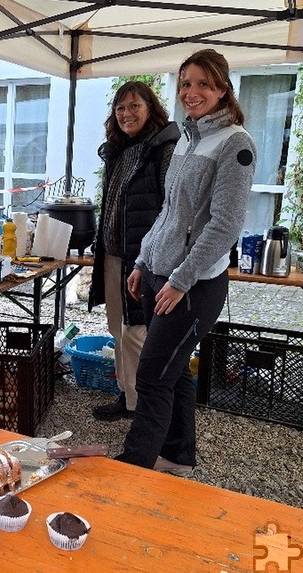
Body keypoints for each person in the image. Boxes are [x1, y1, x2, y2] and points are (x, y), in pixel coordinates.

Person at [115, 49, 256, 474]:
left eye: (202, 84)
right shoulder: (187, 140)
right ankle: (178, 459)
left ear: (222, 89)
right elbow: (169, 211)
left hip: (193, 286)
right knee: (173, 374)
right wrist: (142, 261)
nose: (191, 93)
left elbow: (224, 225)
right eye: (185, 83)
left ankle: (133, 466)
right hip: (159, 274)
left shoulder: (235, 144)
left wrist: (180, 279)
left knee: (153, 376)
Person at [88, 82, 180, 421]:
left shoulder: (163, 149)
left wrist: (154, 259)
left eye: (134, 106)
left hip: (143, 260)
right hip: (113, 255)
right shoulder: (119, 150)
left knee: (137, 332)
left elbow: (173, 208)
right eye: (120, 108)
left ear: (150, 108)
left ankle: (144, 407)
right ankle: (128, 397)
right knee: (118, 328)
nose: (126, 114)